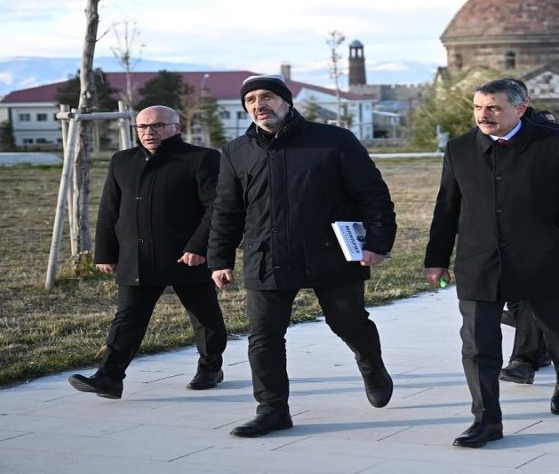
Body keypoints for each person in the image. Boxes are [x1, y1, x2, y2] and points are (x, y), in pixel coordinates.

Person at [208, 74, 397, 438]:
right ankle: (272, 410)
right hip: (267, 255)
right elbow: (227, 210)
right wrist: (219, 258)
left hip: (329, 253)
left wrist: (377, 242)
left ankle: (371, 363)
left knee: (348, 322)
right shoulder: (235, 151)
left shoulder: (333, 141)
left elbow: (372, 193)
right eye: (250, 100)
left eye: (267, 97)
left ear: (286, 101)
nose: (259, 105)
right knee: (263, 336)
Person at [423, 78, 559, 448]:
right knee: (476, 344)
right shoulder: (459, 149)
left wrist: (556, 236)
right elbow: (447, 208)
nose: (484, 115)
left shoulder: (557, 143)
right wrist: (436, 260)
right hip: (479, 261)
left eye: (494, 107)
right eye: (478, 108)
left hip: (542, 261)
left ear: (521, 108)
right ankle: (486, 420)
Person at [69, 105, 227, 400]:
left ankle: (210, 367)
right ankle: (109, 377)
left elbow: (215, 208)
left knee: (204, 316)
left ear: (176, 127)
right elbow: (109, 210)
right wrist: (106, 253)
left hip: (186, 256)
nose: (148, 132)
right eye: (142, 127)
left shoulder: (202, 159)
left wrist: (199, 247)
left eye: (156, 126)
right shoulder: (122, 161)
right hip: (137, 257)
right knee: (128, 318)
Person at [498, 82, 559, 386]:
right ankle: (538, 352)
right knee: (520, 301)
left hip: (545, 239)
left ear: (522, 104)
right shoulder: (484, 138)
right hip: (501, 240)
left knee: (535, 301)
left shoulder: (553, 136)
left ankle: (526, 359)